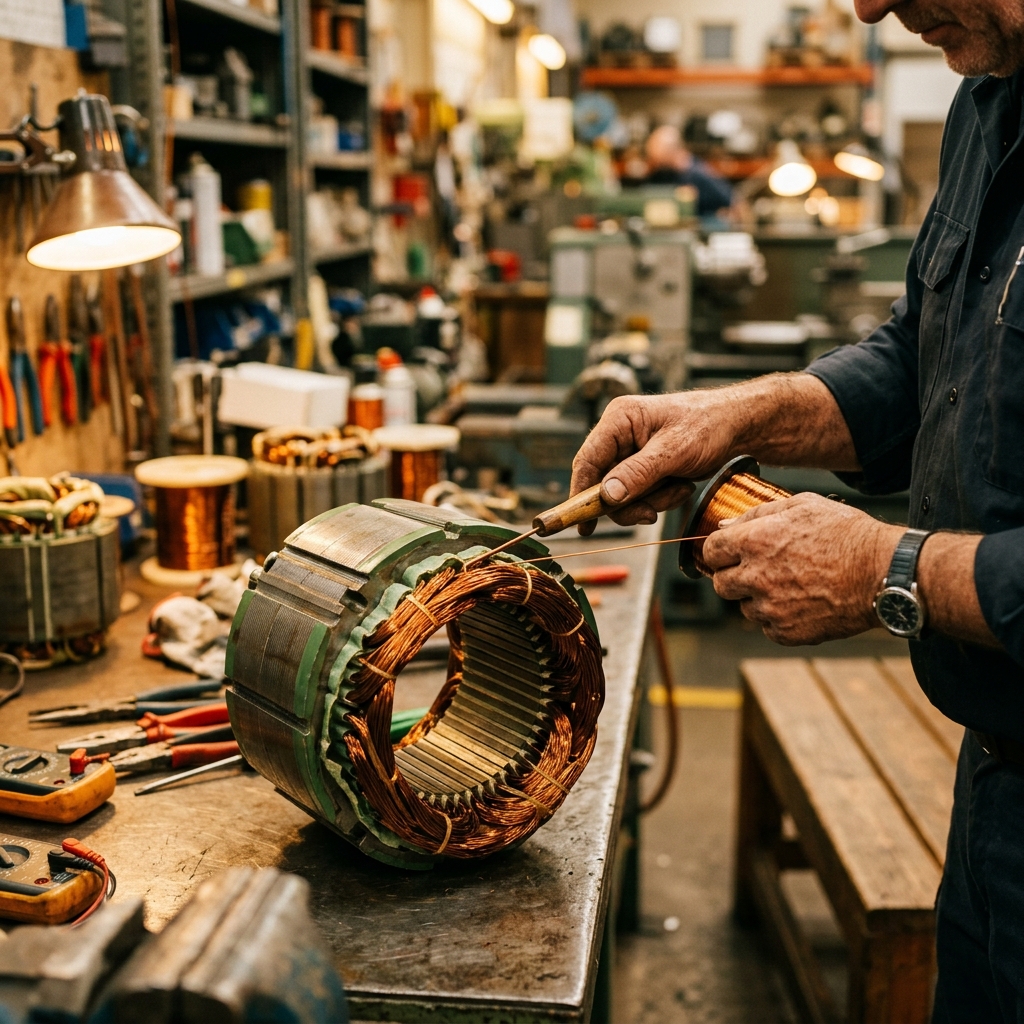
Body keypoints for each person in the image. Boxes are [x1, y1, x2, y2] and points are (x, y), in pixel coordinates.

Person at [571, 2, 1024, 1020]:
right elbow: (921, 363)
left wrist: (887, 570)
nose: (864, 8)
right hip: (996, 787)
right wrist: (738, 416)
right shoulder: (989, 103)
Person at [643, 124, 733, 216]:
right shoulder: (666, 172)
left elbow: (729, 199)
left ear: (670, 151)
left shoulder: (698, 172)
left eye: (659, 158)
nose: (656, 163)